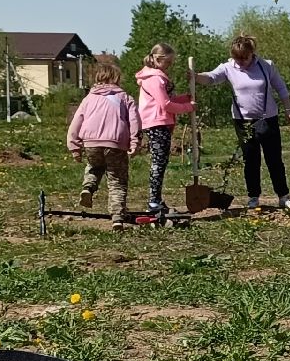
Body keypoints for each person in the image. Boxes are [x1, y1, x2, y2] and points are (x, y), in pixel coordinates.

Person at [196, 34, 290, 209]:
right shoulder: (228, 68)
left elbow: (280, 87)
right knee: (251, 159)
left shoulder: (266, 66)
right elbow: (211, 78)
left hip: (268, 119)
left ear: (252, 53)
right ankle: (253, 196)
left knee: (274, 159)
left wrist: (289, 109)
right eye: (237, 58)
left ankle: (283, 195)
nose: (241, 61)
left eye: (245, 57)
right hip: (243, 122)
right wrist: (196, 76)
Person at [66, 57, 142, 228]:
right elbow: (135, 121)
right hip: (115, 143)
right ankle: (117, 217)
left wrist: (74, 146)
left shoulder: (89, 99)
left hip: (91, 143)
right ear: (117, 78)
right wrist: (135, 142)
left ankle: (88, 188)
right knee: (117, 180)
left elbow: (76, 121)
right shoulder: (124, 97)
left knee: (94, 167)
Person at [135, 43, 196, 216]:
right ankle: (153, 202)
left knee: (161, 162)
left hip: (160, 122)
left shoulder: (157, 77)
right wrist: (188, 107)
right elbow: (166, 104)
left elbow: (167, 99)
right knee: (158, 164)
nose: (170, 65)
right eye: (168, 62)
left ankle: (156, 199)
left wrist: (185, 99)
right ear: (159, 59)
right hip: (156, 123)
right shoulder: (155, 79)